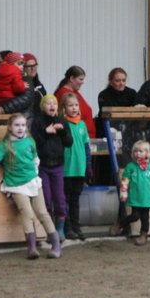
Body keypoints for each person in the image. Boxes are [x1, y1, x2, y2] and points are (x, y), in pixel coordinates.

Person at [0, 113, 62, 259]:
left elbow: (35, 160)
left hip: (33, 182)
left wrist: (34, 175)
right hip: (16, 185)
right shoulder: (4, 145)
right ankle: (32, 248)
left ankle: (56, 245)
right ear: (9, 127)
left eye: (23, 125)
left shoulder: (30, 141)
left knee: (42, 212)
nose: (20, 128)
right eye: (17, 125)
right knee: (27, 213)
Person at [30, 94, 69, 240]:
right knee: (45, 198)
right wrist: (46, 132)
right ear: (42, 107)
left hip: (58, 165)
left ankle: (60, 229)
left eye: (54, 103)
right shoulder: (37, 122)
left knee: (59, 198)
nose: (52, 105)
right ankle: (48, 229)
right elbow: (34, 143)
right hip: (42, 166)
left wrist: (63, 131)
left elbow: (69, 143)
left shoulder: (62, 121)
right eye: (48, 103)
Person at [109, 139, 150, 246]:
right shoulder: (130, 167)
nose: (138, 153)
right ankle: (119, 224)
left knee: (145, 217)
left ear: (147, 153)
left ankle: (143, 235)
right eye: (136, 151)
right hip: (135, 197)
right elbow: (125, 181)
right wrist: (123, 193)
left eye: (141, 151)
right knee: (135, 216)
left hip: (147, 198)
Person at [60, 92, 92, 240]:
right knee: (65, 199)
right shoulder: (62, 124)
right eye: (70, 105)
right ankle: (67, 228)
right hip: (66, 169)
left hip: (80, 168)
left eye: (76, 105)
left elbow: (86, 146)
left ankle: (76, 226)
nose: (74, 108)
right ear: (64, 108)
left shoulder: (82, 125)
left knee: (75, 199)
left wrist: (88, 165)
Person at [54, 66, 96, 139]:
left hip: (84, 135)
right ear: (72, 78)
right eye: (80, 79)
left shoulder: (74, 92)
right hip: (77, 136)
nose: (83, 82)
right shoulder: (64, 93)